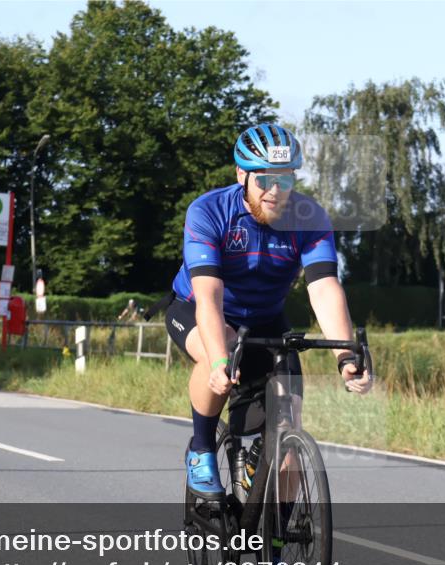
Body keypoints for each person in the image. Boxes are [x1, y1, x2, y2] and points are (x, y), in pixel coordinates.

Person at [158, 123, 372, 501]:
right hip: (197, 310)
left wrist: (345, 354)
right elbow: (209, 295)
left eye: (285, 180)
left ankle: (277, 548)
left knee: (288, 436)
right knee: (218, 346)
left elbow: (323, 288)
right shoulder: (208, 211)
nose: (275, 192)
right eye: (265, 180)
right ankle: (202, 449)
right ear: (241, 174)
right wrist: (219, 359)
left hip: (267, 318)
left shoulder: (309, 217)